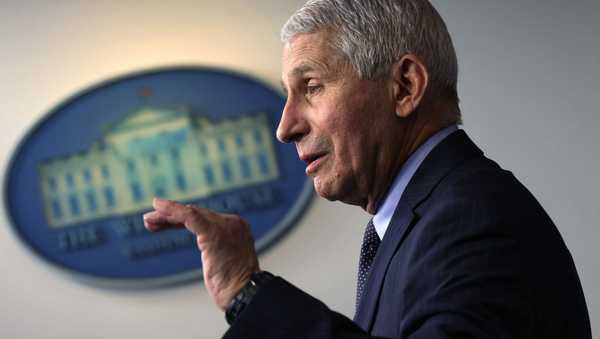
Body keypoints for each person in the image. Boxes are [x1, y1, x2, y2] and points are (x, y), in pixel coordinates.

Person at [143, 0, 592, 338]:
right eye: (288, 94)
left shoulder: (474, 217)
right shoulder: (418, 222)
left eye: (312, 87)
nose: (285, 127)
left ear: (404, 86)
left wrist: (248, 289)